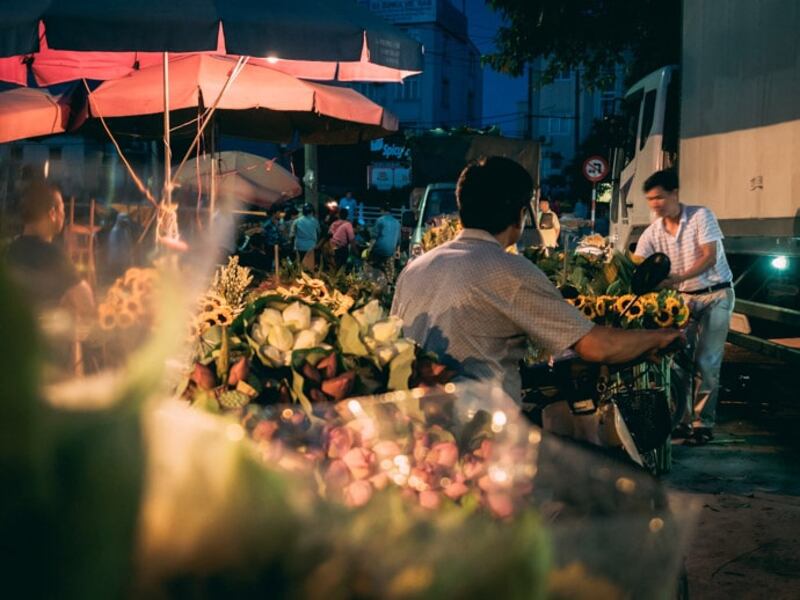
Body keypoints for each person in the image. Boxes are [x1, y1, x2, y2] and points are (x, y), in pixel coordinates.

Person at [391, 157, 682, 402]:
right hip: (485, 432)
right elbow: (595, 345)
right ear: (520, 215)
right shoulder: (510, 270)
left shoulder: (415, 267)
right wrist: (659, 336)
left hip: (416, 423)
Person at [634, 169, 734, 444]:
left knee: (706, 361)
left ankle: (703, 424)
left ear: (674, 194)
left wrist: (677, 278)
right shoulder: (653, 231)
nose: (655, 204)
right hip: (683, 301)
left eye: (659, 197)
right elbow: (636, 261)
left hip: (715, 295)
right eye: (650, 199)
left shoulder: (701, 216)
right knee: (678, 362)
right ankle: (682, 420)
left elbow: (709, 256)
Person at [5, 179, 95, 318]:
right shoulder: (53, 255)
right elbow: (86, 303)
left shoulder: (9, 250)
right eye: (62, 210)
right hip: (42, 337)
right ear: (52, 213)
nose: (64, 215)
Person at [371, 202, 401, 267]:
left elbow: (374, 238)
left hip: (379, 251)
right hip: (391, 253)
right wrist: (398, 251)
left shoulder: (380, 220)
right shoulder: (397, 222)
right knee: (389, 271)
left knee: (372, 264)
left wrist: (369, 249)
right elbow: (398, 241)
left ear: (382, 210)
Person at [291, 203, 321, 269]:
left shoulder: (296, 221)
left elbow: (292, 235)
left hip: (300, 247)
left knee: (300, 266)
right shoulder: (315, 221)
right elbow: (319, 233)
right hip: (312, 247)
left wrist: (293, 247)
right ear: (312, 211)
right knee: (311, 267)